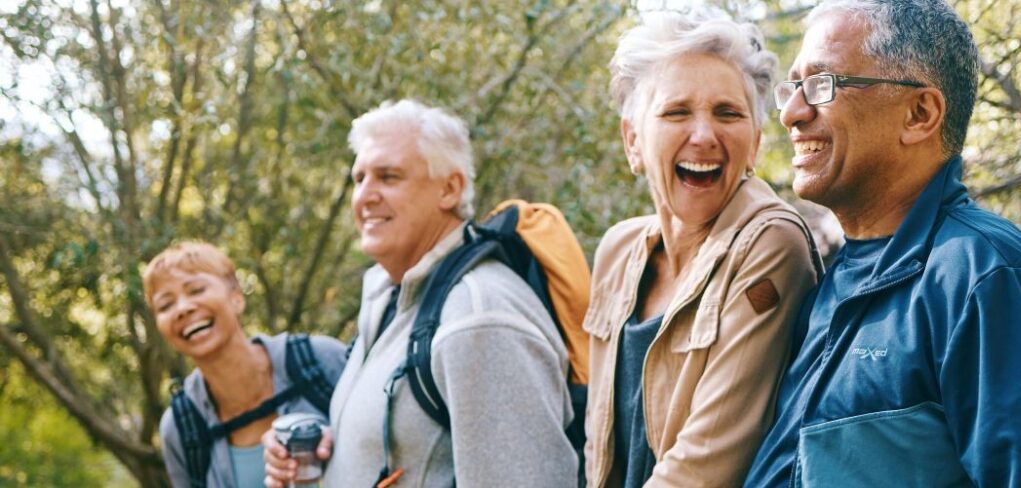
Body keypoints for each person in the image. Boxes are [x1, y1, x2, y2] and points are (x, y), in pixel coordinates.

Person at [745, 0, 1021, 486]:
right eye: (793, 87)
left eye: (822, 85)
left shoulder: (987, 279)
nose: (792, 112)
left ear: (919, 113)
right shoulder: (828, 282)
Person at [263, 99, 578, 487]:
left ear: (449, 189)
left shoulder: (479, 318)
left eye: (388, 176)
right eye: (358, 178)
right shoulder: (391, 297)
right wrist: (326, 447)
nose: (365, 196)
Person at [583, 9, 822, 487]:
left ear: (755, 143)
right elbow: (598, 450)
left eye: (727, 113)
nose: (704, 135)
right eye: (676, 112)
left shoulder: (771, 243)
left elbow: (705, 466)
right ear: (633, 141)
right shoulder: (618, 250)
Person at [146, 241, 347, 488]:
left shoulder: (321, 361)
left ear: (236, 297)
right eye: (165, 305)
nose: (183, 309)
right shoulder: (180, 428)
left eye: (196, 290)